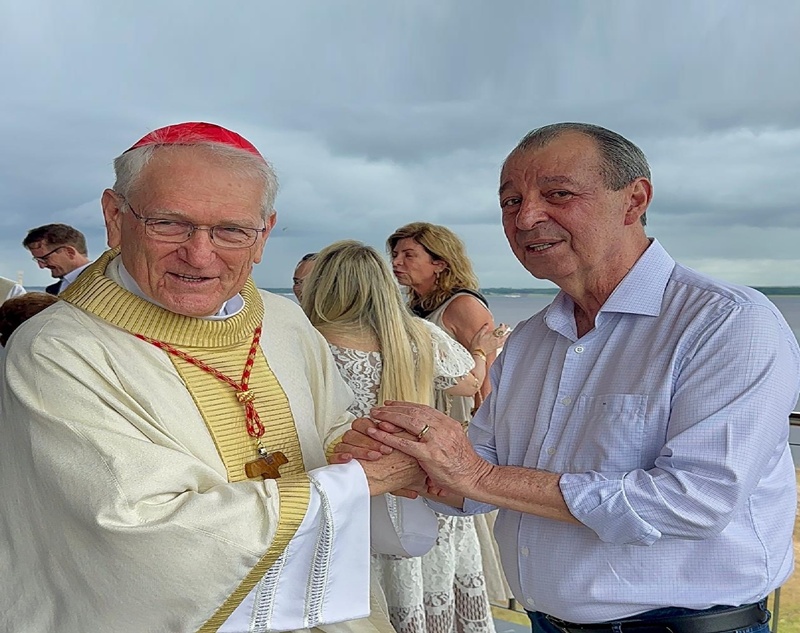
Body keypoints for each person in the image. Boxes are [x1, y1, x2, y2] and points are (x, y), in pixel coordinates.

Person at [344, 123, 800, 633]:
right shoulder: (532, 340)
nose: (527, 217)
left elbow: (694, 500)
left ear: (634, 200)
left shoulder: (728, 322)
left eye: (558, 194)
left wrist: (475, 475)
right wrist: (415, 462)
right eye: (510, 202)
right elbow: (483, 473)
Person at [0, 122, 429, 633]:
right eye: (169, 224)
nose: (200, 254)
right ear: (115, 218)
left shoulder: (283, 319)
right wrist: (363, 480)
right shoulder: (57, 350)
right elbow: (136, 529)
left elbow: (327, 428)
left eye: (231, 230)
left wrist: (370, 447)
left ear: (263, 235)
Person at [302, 239, 504, 633]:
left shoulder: (310, 341)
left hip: (349, 493)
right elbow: (468, 384)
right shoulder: (420, 335)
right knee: (432, 601)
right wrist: (481, 351)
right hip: (420, 489)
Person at [387, 222, 514, 606]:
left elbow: (486, 377)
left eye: (409, 255)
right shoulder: (413, 305)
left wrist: (482, 437)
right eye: (394, 254)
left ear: (440, 263)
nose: (397, 262)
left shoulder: (463, 305)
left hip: (455, 423)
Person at [22, 223, 92, 294]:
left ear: (70, 252)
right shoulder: (53, 290)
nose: (41, 266)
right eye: (38, 260)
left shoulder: (99, 282)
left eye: (45, 258)